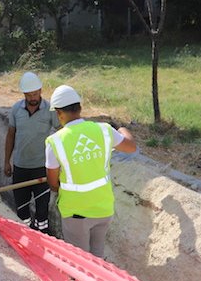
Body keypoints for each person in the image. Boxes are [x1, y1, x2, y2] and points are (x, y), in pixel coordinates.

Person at [45, 85, 136, 258]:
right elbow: (131, 147)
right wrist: (122, 129)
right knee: (97, 257)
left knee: (80, 261)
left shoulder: (55, 142)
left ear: (58, 113)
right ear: (79, 108)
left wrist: (61, 186)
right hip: (103, 208)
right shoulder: (104, 130)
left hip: (76, 213)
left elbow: (52, 182)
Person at [4, 72, 59, 234]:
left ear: (41, 90)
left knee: (42, 208)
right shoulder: (16, 109)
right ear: (24, 94)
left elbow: (62, 133)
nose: (33, 97)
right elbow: (10, 135)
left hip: (42, 168)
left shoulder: (50, 110)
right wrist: (7, 161)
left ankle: (43, 233)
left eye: (35, 93)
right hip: (20, 167)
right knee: (21, 207)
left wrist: (60, 163)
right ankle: (26, 230)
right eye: (29, 94)